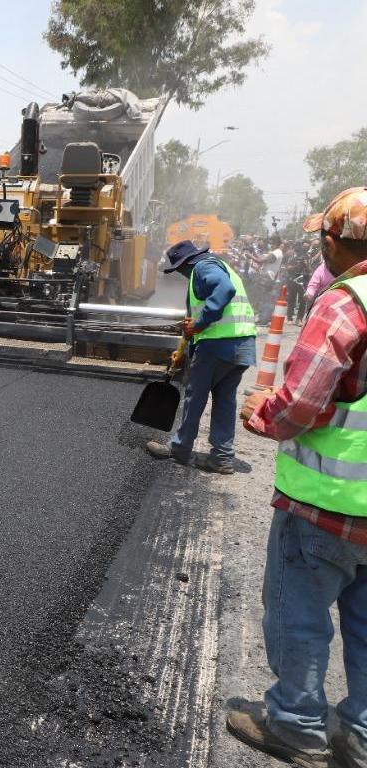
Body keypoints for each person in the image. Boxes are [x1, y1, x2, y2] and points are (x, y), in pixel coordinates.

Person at [231, 187, 367, 768]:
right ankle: (361, 734)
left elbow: (301, 404)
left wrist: (262, 411)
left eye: (323, 239)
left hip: (326, 503)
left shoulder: (343, 305)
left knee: (301, 615)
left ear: (335, 243)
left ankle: (297, 723)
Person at [145, 239, 257, 473]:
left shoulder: (203, 267)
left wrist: (201, 322)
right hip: (242, 344)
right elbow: (195, 320)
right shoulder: (221, 266)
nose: (181, 275)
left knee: (195, 397)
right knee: (225, 400)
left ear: (185, 264)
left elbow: (224, 290)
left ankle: (180, 449)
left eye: (179, 270)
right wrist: (184, 348)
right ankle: (222, 458)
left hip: (217, 345)